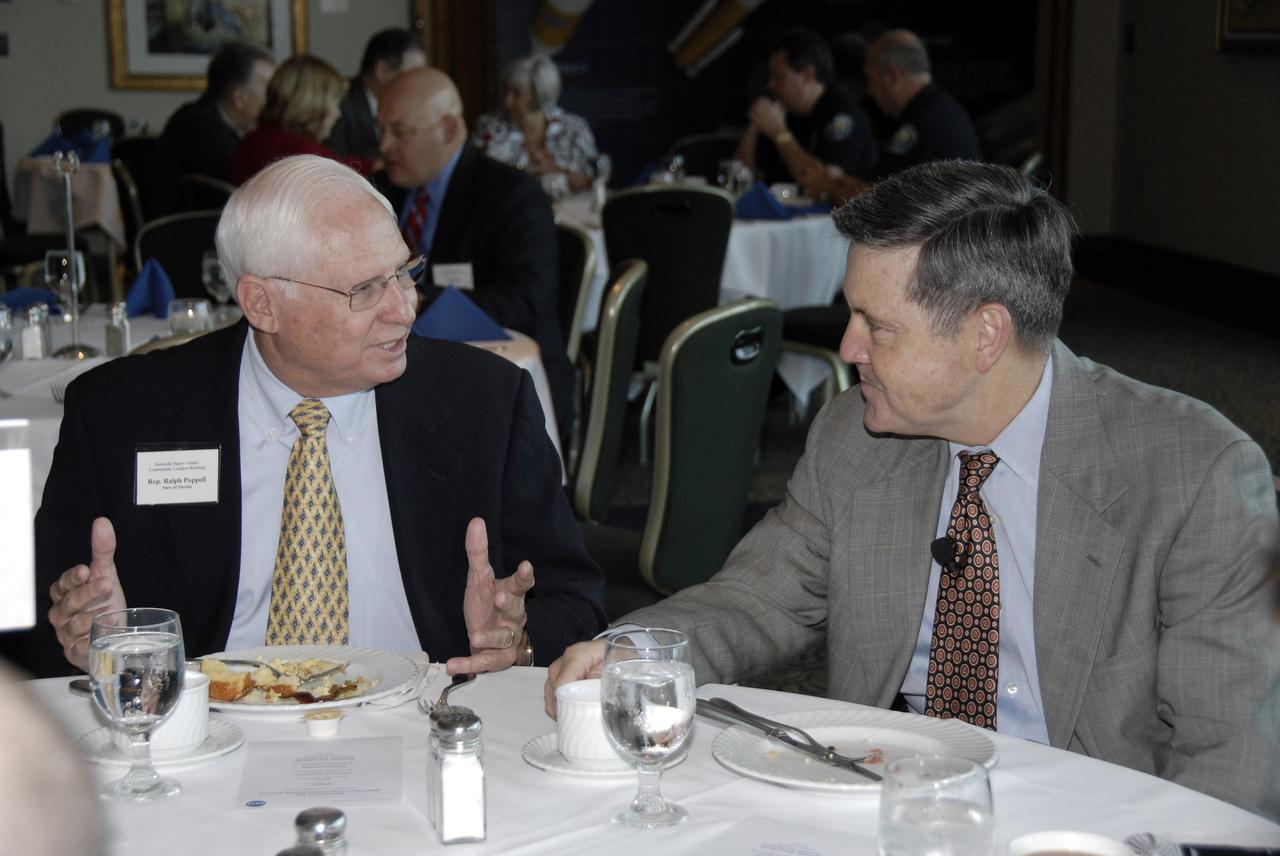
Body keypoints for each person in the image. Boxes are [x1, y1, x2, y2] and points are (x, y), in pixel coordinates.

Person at [546, 161, 1280, 818]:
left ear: (984, 336)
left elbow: (1231, 760)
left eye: (878, 326)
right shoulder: (855, 436)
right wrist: (637, 653)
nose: (846, 348)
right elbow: (757, 597)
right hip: (882, 805)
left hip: (1089, 823)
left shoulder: (1195, 475)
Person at [0, 155, 604, 679]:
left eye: (405, 272)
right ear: (263, 302)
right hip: (208, 729)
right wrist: (78, 638)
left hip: (424, 724)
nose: (405, 309)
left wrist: (517, 640)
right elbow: (26, 626)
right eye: (365, 290)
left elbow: (577, 600)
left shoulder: (487, 402)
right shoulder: (120, 414)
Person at [377, 67, 575, 439]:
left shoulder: (510, 196)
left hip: (492, 383)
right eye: (381, 130)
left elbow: (528, 302)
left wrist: (422, 302)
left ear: (449, 130)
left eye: (399, 132)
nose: (384, 146)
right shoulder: (382, 191)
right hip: (397, 372)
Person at [733, 27, 877, 189]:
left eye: (779, 76)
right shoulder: (785, 112)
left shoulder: (843, 116)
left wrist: (779, 133)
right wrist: (753, 129)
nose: (770, 85)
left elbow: (822, 182)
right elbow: (740, 180)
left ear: (808, 75)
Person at [146, 41, 274, 216]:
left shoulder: (196, 115)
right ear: (240, 98)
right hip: (185, 236)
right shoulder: (201, 128)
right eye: (269, 92)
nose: (274, 101)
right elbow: (247, 185)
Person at [231, 54, 378, 184]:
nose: (338, 113)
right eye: (334, 103)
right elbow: (340, 170)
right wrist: (378, 166)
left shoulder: (253, 140)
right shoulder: (302, 152)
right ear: (314, 104)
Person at [471, 54, 600, 195]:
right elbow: (473, 179)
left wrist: (555, 169)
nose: (507, 101)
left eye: (517, 93)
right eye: (505, 91)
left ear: (540, 93)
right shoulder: (489, 128)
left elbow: (591, 181)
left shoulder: (573, 128)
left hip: (570, 213)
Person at [325, 27, 427, 162]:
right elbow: (334, 164)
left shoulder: (413, 106)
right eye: (411, 75)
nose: (418, 84)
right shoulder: (338, 104)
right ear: (383, 70)